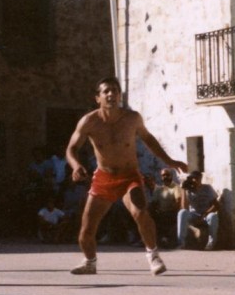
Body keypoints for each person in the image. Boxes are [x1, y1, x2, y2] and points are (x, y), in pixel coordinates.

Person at [65, 76, 188, 275]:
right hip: (104, 178)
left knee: (140, 212)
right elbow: (71, 148)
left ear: (120, 95)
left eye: (115, 90)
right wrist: (76, 165)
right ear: (98, 98)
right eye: (106, 91)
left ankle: (153, 256)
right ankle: (90, 262)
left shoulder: (132, 119)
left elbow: (149, 140)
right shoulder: (89, 121)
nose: (111, 94)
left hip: (129, 175)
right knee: (86, 230)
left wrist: (171, 162)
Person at [176, 171, 222, 250]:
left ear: (200, 179)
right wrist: (183, 190)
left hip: (206, 214)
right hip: (193, 215)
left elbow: (216, 205)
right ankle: (181, 243)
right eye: (192, 179)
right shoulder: (188, 189)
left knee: (213, 216)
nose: (194, 180)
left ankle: (211, 243)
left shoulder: (207, 188)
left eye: (196, 178)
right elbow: (184, 207)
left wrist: (205, 213)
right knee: (182, 212)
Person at [149, 168, 183, 248]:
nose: (165, 177)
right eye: (163, 175)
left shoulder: (176, 187)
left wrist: (169, 210)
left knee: (165, 218)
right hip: (160, 212)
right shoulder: (158, 189)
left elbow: (178, 202)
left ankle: (165, 240)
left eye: (167, 175)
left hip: (172, 213)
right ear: (161, 177)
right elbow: (154, 203)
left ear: (171, 176)